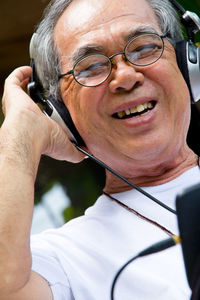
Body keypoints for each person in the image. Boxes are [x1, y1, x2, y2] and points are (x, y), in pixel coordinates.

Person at [0, 0, 199, 299]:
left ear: (187, 63)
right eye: (91, 67)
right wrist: (20, 136)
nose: (126, 77)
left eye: (144, 48)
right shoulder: (66, 258)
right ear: (61, 113)